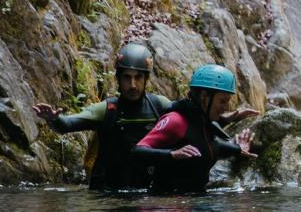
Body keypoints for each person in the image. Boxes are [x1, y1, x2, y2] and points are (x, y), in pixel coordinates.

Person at [33, 41, 172, 191]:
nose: (132, 85)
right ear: (118, 79)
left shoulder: (160, 105)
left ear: (146, 79)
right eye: (127, 77)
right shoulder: (106, 109)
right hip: (110, 195)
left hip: (149, 193)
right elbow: (67, 125)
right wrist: (54, 119)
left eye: (138, 77)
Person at [134, 63, 254, 194]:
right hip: (167, 206)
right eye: (223, 101)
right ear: (204, 97)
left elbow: (208, 146)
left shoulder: (202, 122)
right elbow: (137, 152)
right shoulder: (176, 120)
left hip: (195, 204)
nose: (225, 107)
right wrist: (172, 154)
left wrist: (238, 149)